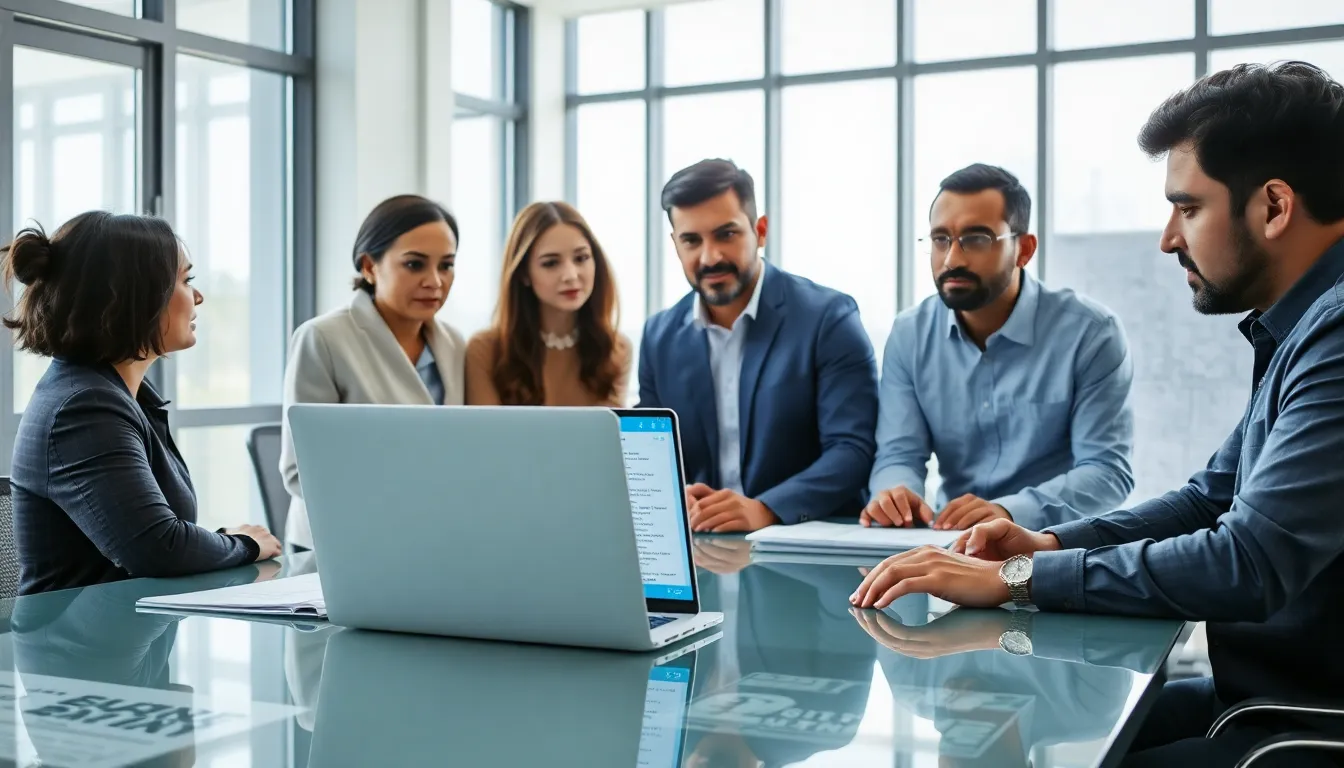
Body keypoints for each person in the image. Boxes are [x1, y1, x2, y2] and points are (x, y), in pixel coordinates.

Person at [851, 61, 1344, 767]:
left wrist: (1019, 580)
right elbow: (1209, 498)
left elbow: (1247, 561)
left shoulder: (1335, 332)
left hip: (1308, 718)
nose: (1168, 238)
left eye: (1188, 208)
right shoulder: (1299, 328)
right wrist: (1043, 545)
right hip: (1257, 692)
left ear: (1273, 207)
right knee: (1088, 735)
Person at [2, 212, 281, 595]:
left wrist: (217, 544)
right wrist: (244, 545)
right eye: (186, 281)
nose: (198, 297)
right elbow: (158, 548)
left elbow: (155, 538)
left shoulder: (117, 396)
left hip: (123, 623)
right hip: (78, 633)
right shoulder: (84, 408)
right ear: (134, 296)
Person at [866, 164, 1135, 531]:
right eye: (941, 239)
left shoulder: (1091, 334)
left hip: (1053, 545)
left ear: (1024, 250)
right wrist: (896, 494)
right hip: (952, 542)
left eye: (976, 239)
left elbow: (1107, 472)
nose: (952, 259)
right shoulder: (909, 334)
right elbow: (898, 454)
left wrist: (1009, 511)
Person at [637, 159, 879, 533]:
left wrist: (766, 509)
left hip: (806, 545)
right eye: (691, 240)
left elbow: (853, 450)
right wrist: (672, 493)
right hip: (703, 543)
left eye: (726, 234)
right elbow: (653, 454)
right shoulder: (659, 336)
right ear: (675, 244)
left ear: (760, 231)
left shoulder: (828, 318)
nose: (710, 257)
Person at [280, 194, 466, 550]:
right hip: (340, 543)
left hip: (433, 536)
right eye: (415, 264)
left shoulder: (454, 345)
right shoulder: (323, 338)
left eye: (446, 265)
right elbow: (300, 471)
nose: (435, 281)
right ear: (369, 266)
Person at [465, 201, 629, 406]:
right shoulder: (485, 351)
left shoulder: (616, 349)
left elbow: (611, 427)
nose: (571, 275)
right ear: (524, 273)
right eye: (551, 263)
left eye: (581, 258)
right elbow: (485, 428)